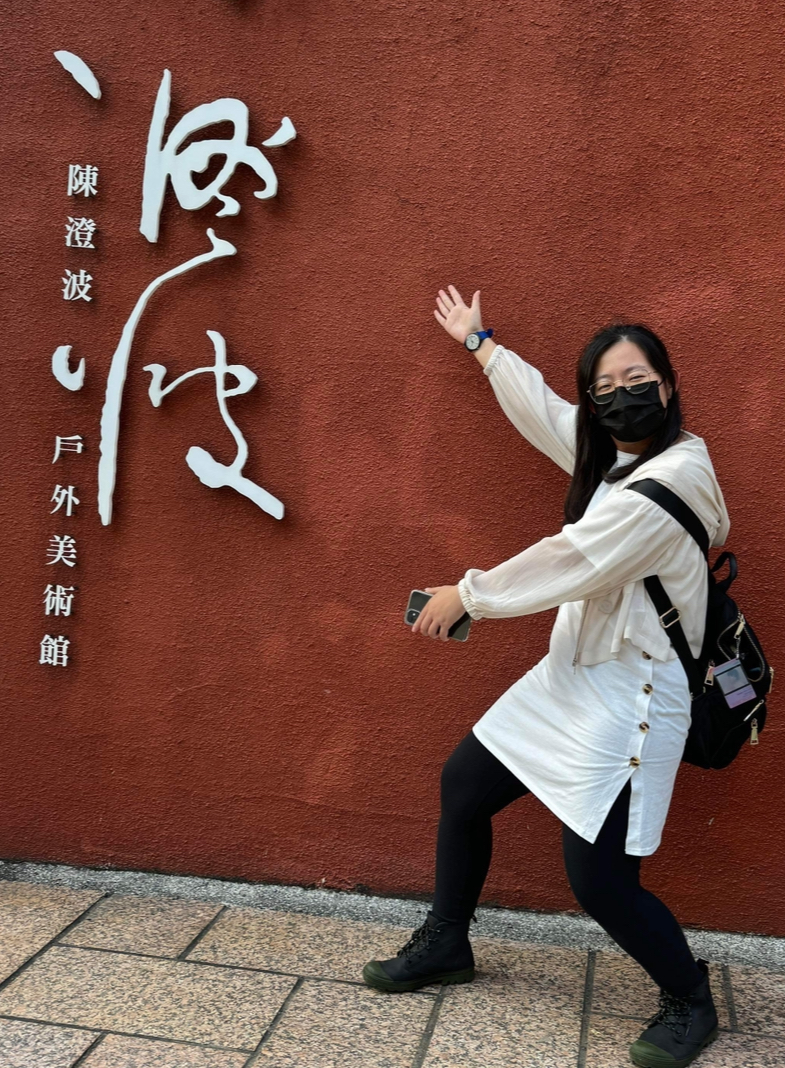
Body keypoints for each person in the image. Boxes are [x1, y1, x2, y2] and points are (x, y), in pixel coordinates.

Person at [361, 286, 728, 1068]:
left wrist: (470, 596)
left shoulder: (668, 483)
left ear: (667, 386)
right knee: (464, 786)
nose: (620, 398)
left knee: (598, 881)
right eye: (604, 389)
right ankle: (447, 942)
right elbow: (549, 416)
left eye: (636, 381)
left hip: (634, 696)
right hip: (572, 674)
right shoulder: (613, 457)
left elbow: (574, 558)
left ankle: (690, 999)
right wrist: (481, 345)